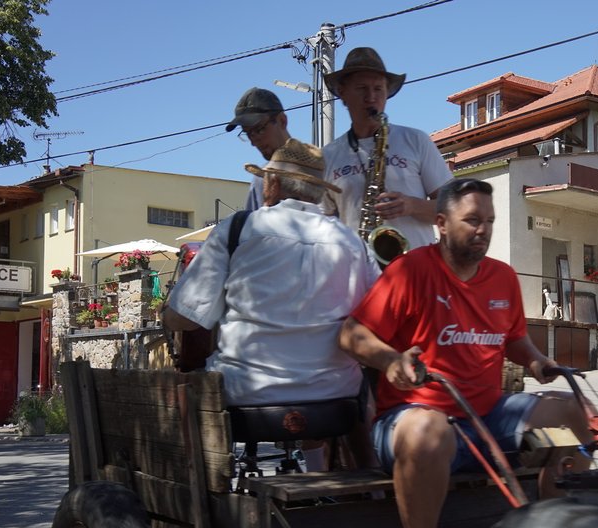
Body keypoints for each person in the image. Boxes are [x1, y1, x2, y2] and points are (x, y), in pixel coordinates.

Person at [338, 178, 592, 528]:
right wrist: (392, 361)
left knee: (569, 413)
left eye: (489, 221)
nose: (484, 230)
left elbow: (514, 339)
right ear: (440, 223)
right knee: (428, 429)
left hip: (487, 421)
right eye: (472, 220)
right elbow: (350, 334)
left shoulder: (503, 278)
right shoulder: (410, 271)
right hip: (410, 423)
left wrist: (535, 362)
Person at [163, 139, 380, 468]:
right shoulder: (352, 241)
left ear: (272, 184)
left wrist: (167, 315)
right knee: (354, 381)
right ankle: (329, 480)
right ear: (318, 192)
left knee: (180, 389)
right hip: (336, 399)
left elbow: (185, 318)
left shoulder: (238, 229)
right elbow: (378, 314)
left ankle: (203, 485)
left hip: (244, 396)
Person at [322, 47, 453, 251]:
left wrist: (411, 205)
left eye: (378, 89)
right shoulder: (328, 156)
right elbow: (323, 226)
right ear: (342, 93)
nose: (371, 97)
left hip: (414, 271)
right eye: (362, 88)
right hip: (359, 272)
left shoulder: (416, 140)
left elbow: (454, 208)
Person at [225, 87, 293, 212]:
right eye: (248, 133)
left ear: (282, 121)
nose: (253, 142)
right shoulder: (260, 180)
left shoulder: (321, 167)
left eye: (259, 130)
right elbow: (254, 230)